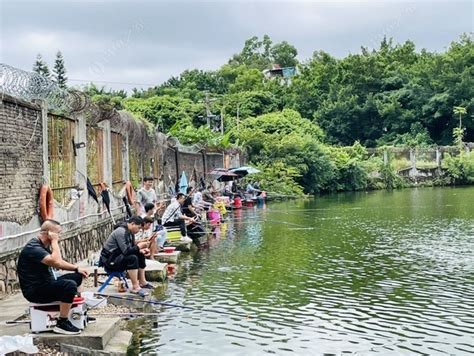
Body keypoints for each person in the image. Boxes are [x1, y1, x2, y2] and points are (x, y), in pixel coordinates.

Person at [17, 219, 89, 335]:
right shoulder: (33, 247)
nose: (60, 236)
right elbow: (56, 262)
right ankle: (62, 323)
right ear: (49, 233)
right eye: (58, 233)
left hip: (46, 284)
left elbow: (59, 263)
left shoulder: (42, 245)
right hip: (35, 291)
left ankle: (77, 313)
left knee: (77, 276)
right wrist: (54, 242)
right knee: (69, 286)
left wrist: (76, 268)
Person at [99, 216, 153, 297]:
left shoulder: (129, 231)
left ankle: (142, 282)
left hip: (117, 257)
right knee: (132, 258)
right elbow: (126, 251)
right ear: (132, 224)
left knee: (140, 255)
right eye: (138, 228)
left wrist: (140, 250)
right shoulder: (121, 232)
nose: (138, 231)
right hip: (110, 261)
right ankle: (135, 287)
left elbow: (130, 248)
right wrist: (139, 247)